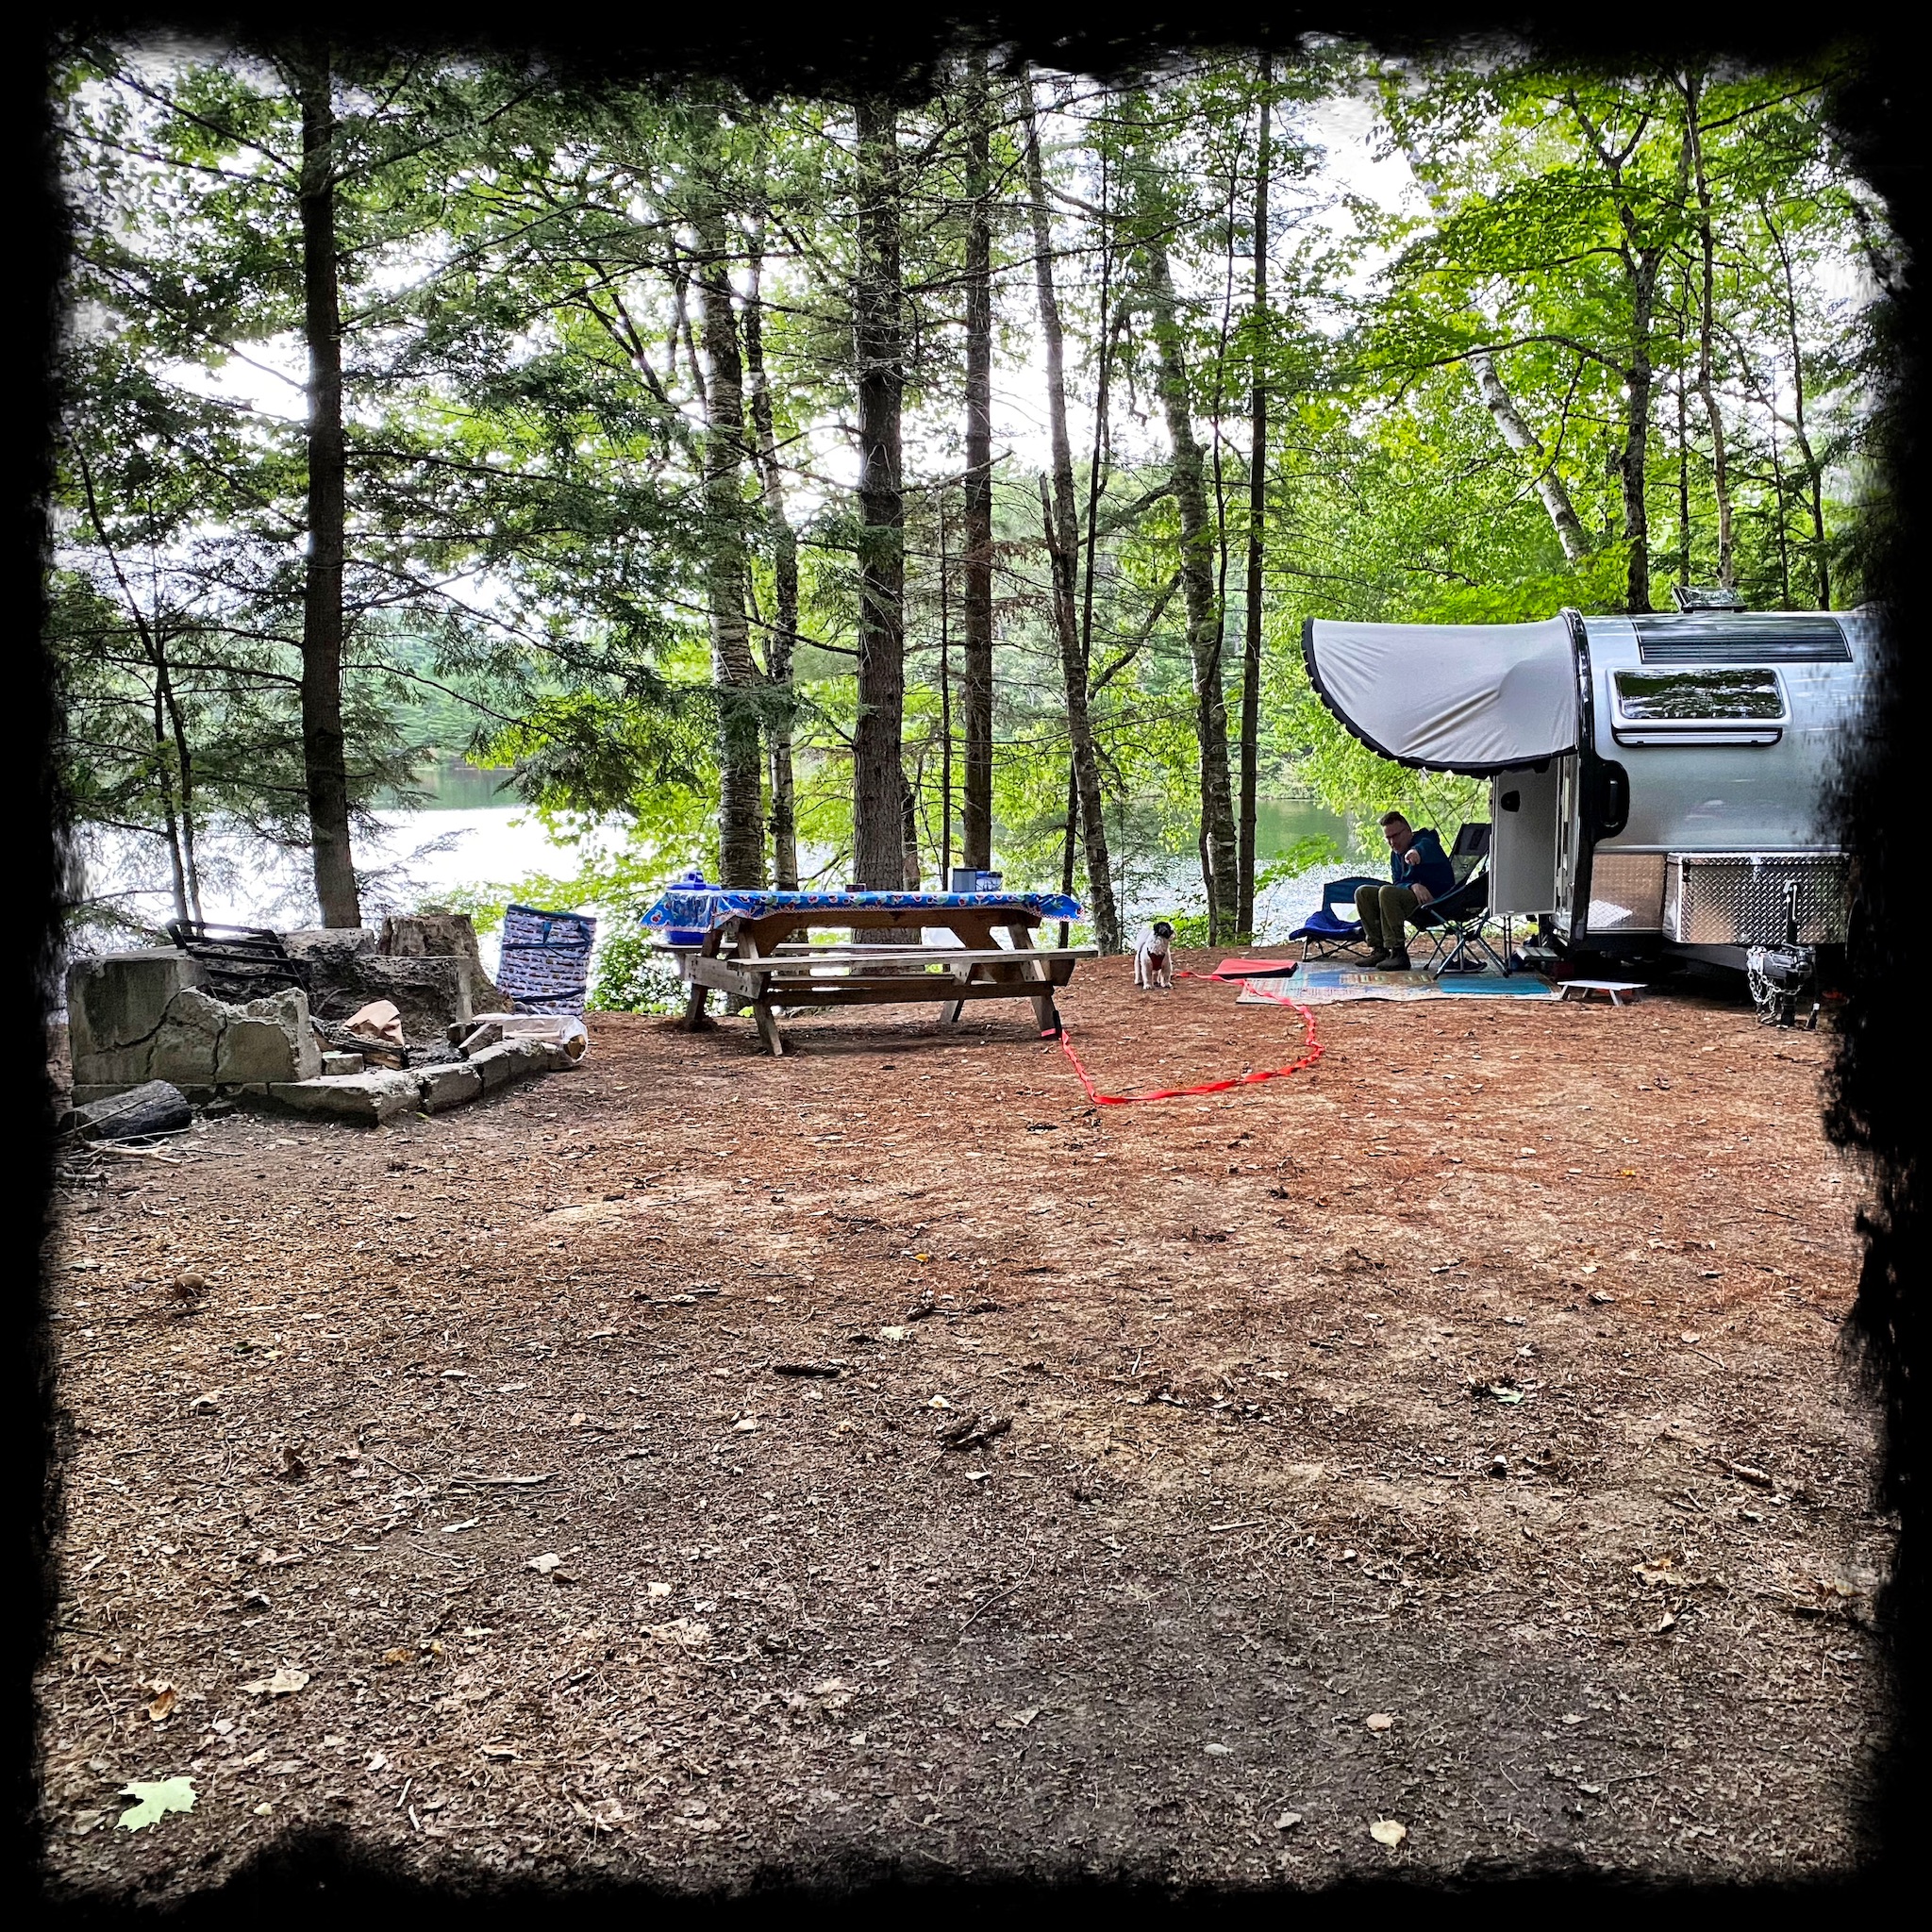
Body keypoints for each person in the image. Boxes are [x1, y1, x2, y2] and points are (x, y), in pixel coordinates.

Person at [1354, 810, 1455, 969]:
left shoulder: (1426, 841)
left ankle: (1398, 952)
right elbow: (1398, 882)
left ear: (1408, 831)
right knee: (1363, 892)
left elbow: (1425, 845)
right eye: (1388, 838)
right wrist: (1412, 886)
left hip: (1437, 903)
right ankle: (1379, 949)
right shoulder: (1395, 854)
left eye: (1395, 836)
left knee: (1387, 892)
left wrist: (1415, 852)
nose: (1392, 842)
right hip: (1413, 900)